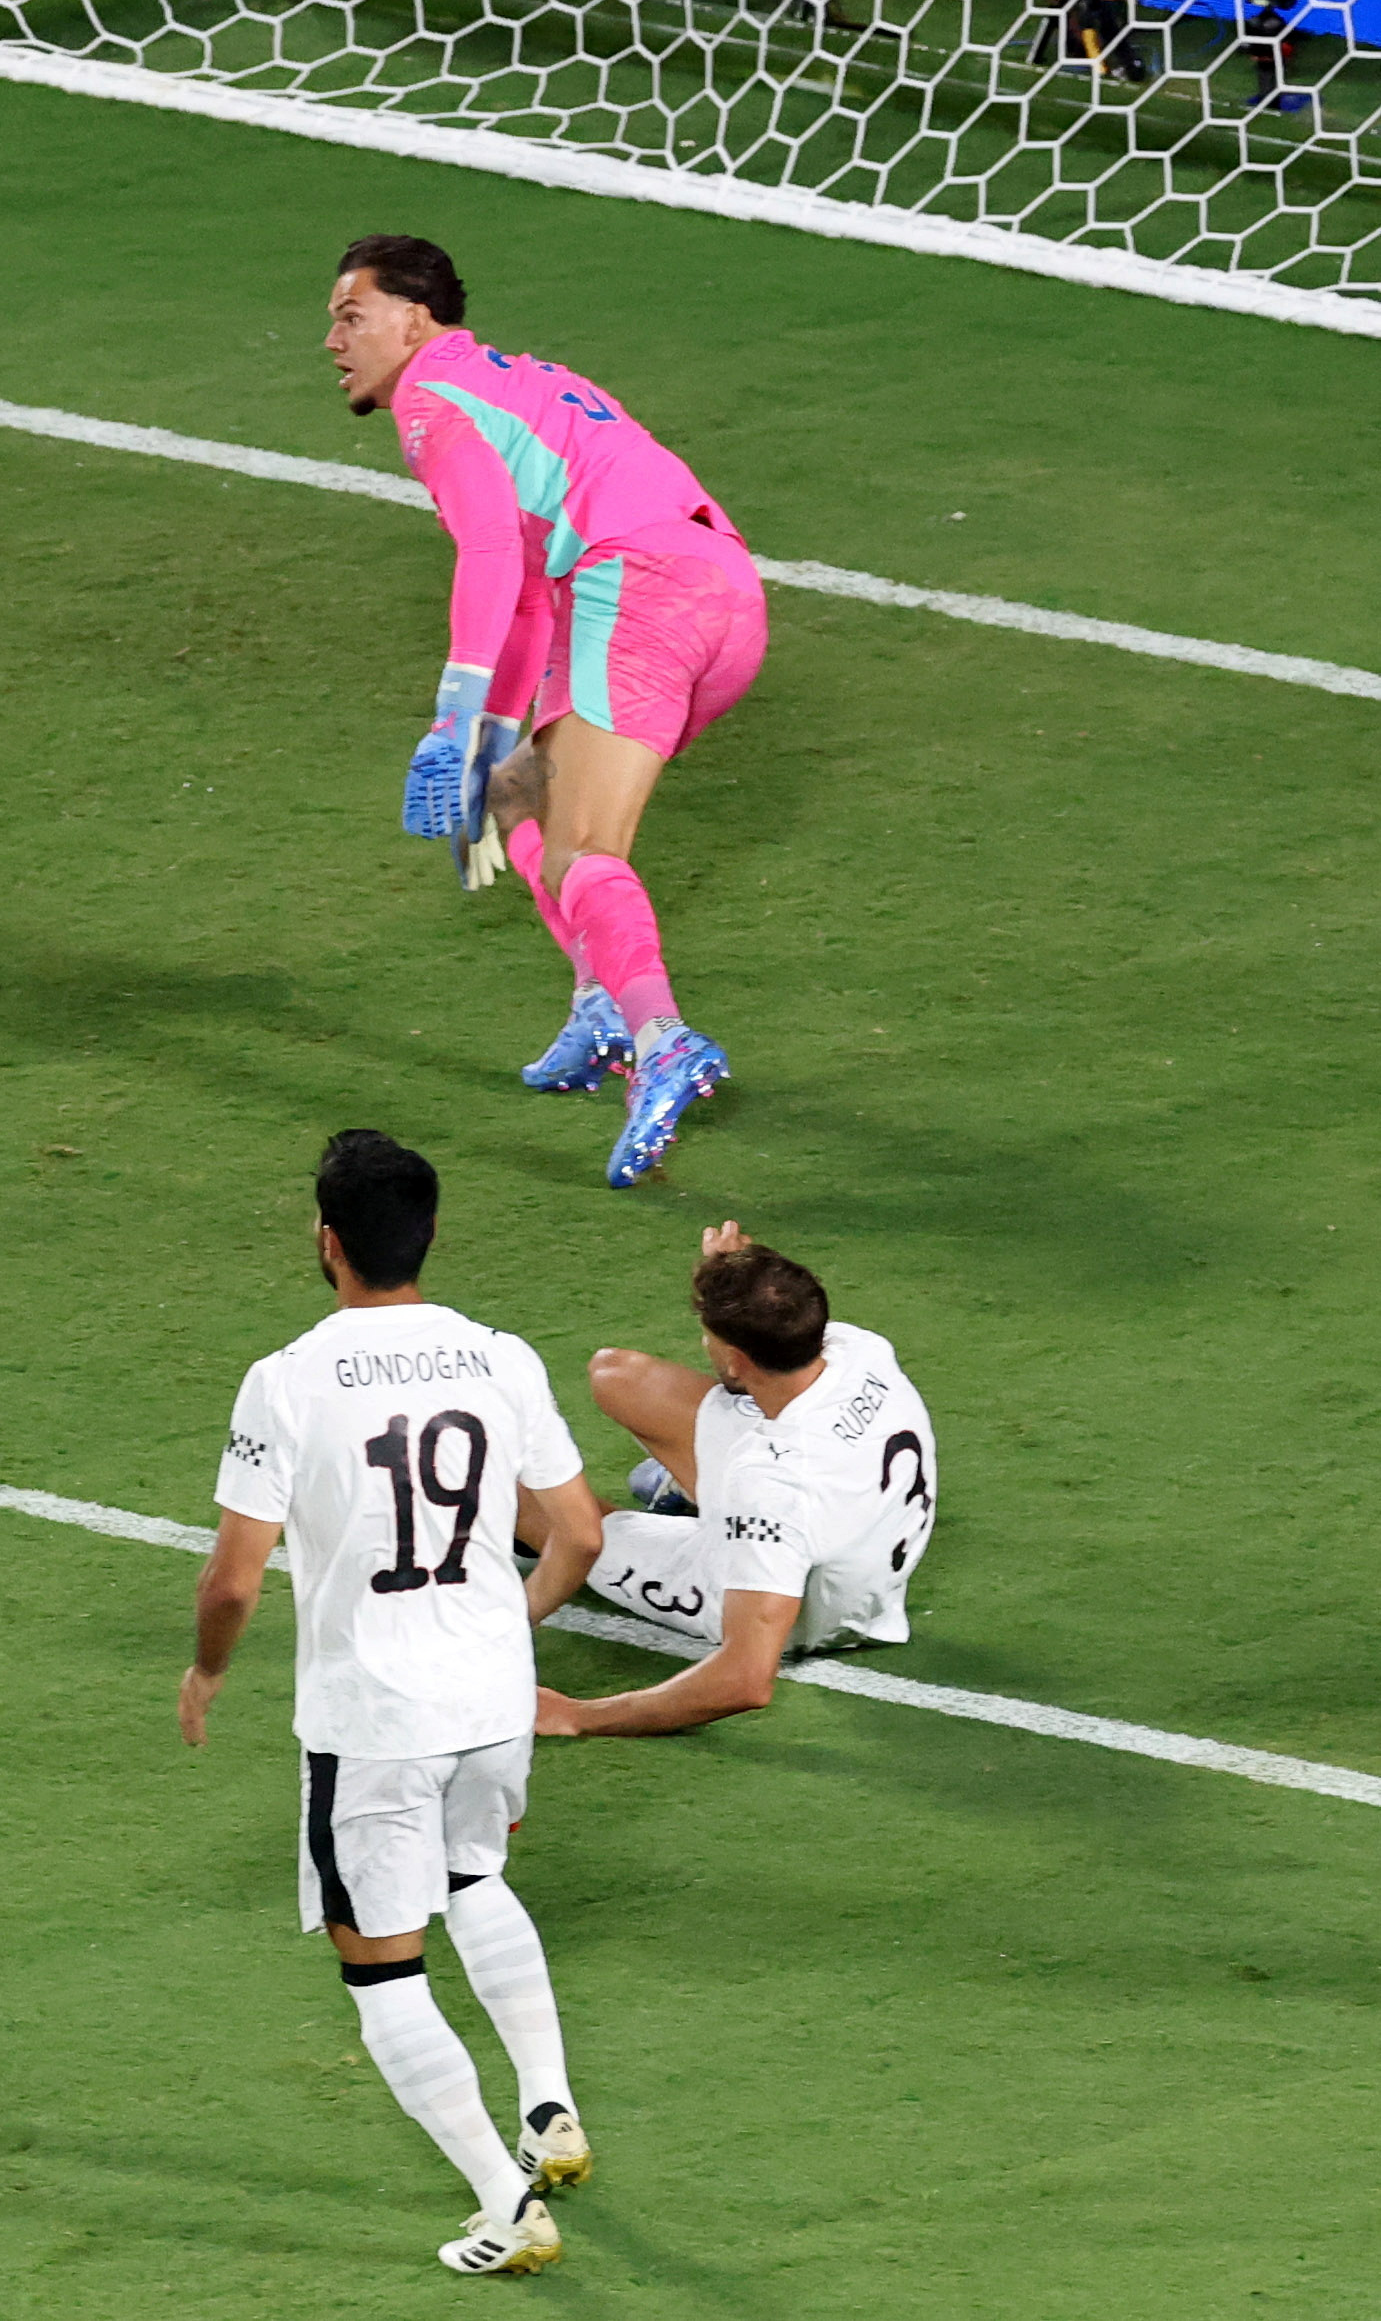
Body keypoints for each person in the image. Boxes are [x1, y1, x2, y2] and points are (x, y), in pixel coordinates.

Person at [182, 1129, 611, 2276]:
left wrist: (209, 1668)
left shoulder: (286, 1380)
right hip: (490, 1700)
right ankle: (549, 2105)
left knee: (381, 1970)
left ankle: (502, 2204)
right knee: (474, 1878)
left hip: (372, 1718)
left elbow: (232, 1577)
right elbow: (579, 1531)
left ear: (327, 1243)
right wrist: (504, 1630)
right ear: (430, 1236)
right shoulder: (498, 1355)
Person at [325, 234, 770, 1187]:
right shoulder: (520, 380)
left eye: (350, 316)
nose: (335, 339)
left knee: (582, 852)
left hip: (638, 590)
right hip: (720, 594)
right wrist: (487, 739)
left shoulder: (429, 400)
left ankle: (661, 1041)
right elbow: (527, 591)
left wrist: (451, 716)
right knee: (514, 791)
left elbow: (487, 553)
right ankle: (600, 1004)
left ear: (414, 319)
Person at [539, 1223, 937, 1738]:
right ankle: (694, 1498)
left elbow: (745, 1680)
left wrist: (576, 1715)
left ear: (736, 1359)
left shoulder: (771, 1483)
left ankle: (693, 1516)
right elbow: (782, 1306)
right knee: (616, 1376)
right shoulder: (856, 1349)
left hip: (814, 1614)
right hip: (853, 1513)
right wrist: (742, 1271)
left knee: (555, 1520)